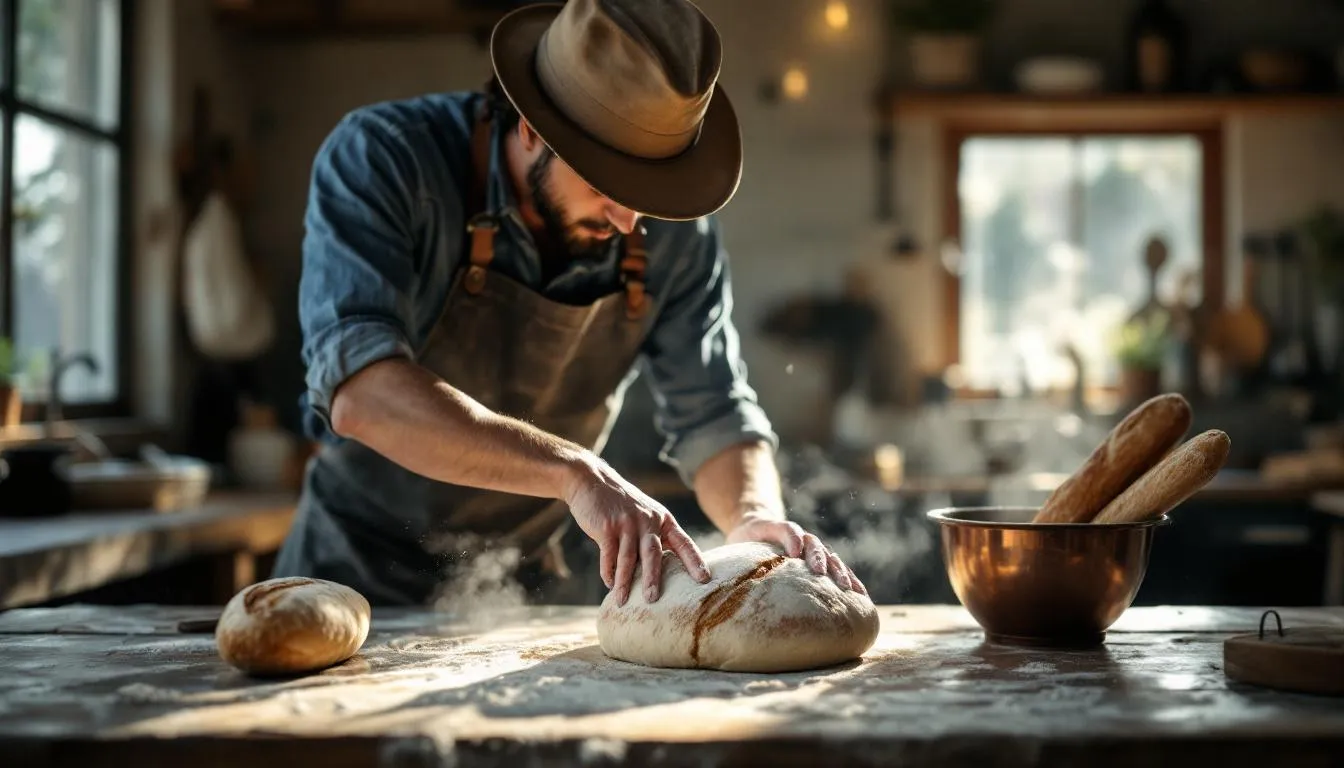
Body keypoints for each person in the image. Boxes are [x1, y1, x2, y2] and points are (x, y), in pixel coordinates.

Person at [272, 0, 866, 608]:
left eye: (650, 189)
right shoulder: (385, 160)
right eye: (609, 184)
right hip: (349, 575)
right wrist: (572, 471)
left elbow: (713, 411)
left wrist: (751, 516)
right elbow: (361, 394)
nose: (631, 219)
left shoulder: (668, 231)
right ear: (533, 128)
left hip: (521, 584)